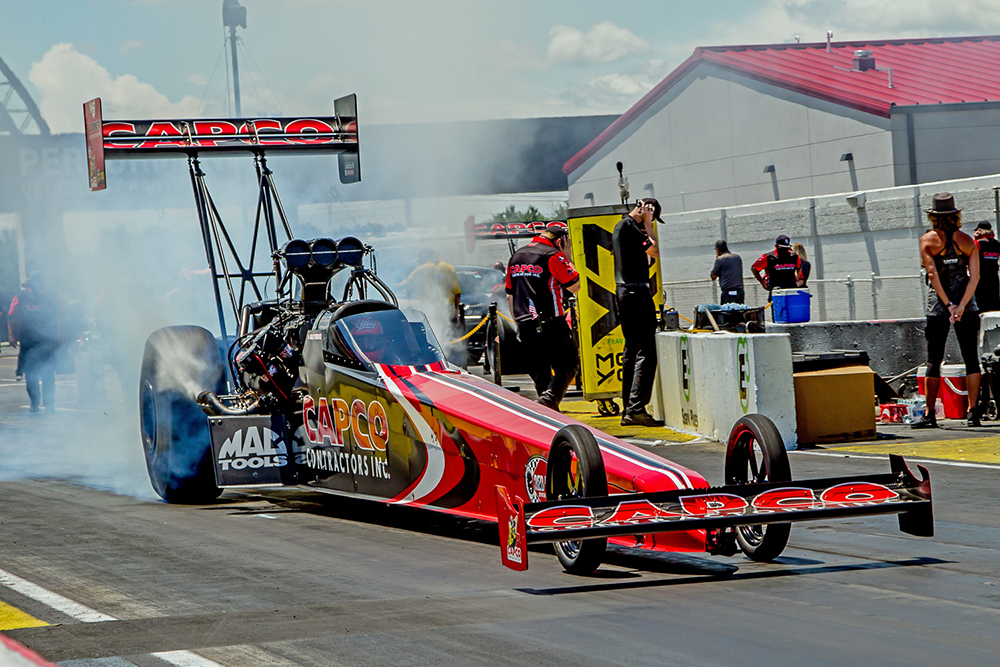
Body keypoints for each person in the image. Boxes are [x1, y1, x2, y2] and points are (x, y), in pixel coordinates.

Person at [913, 193, 982, 428]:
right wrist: (961, 305)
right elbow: (976, 277)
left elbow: (932, 275)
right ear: (956, 215)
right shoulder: (967, 241)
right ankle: (973, 413)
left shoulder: (927, 241)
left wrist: (949, 305)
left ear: (933, 217)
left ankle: (930, 414)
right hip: (967, 305)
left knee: (934, 359)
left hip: (938, 306)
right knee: (971, 359)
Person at [505, 227, 581, 411]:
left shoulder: (516, 256)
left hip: (524, 322)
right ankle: (548, 401)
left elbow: (510, 294)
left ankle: (548, 414)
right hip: (551, 321)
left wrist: (518, 322)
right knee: (569, 364)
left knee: (541, 374)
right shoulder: (552, 255)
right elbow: (575, 286)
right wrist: (569, 258)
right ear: (560, 241)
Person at [613, 198, 665, 427]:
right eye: (653, 216)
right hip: (635, 292)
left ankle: (629, 407)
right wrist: (647, 223)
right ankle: (635, 408)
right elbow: (654, 250)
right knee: (646, 348)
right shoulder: (630, 226)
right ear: (647, 210)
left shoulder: (623, 227)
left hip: (627, 292)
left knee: (632, 348)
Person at [7, 272, 62, 413]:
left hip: (48, 341)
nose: (39, 286)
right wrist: (12, 335)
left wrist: (62, 333)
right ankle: (34, 404)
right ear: (32, 284)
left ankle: (50, 404)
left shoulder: (52, 296)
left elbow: (63, 314)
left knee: (48, 373)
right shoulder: (21, 297)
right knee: (31, 375)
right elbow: (12, 316)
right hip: (28, 341)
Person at [399, 249, 462, 324]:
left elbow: (405, 283)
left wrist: (394, 286)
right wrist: (456, 313)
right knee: (447, 331)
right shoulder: (447, 267)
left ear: (424, 258)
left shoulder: (421, 269)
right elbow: (457, 293)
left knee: (434, 329)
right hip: (447, 309)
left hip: (430, 308)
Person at [973, 221, 1000, 312]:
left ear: (979, 231)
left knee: (981, 306)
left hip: (981, 279)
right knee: (994, 306)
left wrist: (975, 239)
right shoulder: (997, 243)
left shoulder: (978, 243)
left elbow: (970, 254)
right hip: (994, 279)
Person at [710, 240, 744, 304]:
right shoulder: (737, 257)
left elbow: (713, 277)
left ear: (717, 249)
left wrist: (717, 258)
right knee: (739, 312)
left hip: (728, 292)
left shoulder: (720, 259)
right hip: (740, 291)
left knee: (726, 312)